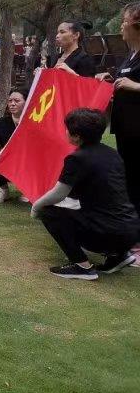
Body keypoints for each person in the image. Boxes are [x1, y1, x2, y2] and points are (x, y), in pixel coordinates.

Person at [31, 109, 140, 280]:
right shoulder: (112, 154)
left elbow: (58, 194)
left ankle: (82, 266)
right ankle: (118, 256)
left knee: (49, 211)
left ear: (76, 136)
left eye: (67, 129)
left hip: (108, 233)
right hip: (131, 231)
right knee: (98, 213)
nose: (65, 131)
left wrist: (36, 206)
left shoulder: (77, 158)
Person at [97, 3, 140, 215]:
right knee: (130, 178)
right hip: (126, 128)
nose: (121, 26)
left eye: (125, 21)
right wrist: (111, 80)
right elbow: (125, 81)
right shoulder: (131, 54)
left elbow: (132, 84)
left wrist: (136, 86)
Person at [0, 90, 29, 203]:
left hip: (28, 161)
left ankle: (27, 190)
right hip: (10, 160)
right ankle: (4, 190)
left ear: (26, 102)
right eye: (10, 101)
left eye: (17, 101)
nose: (12, 104)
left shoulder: (32, 122)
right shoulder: (1, 123)